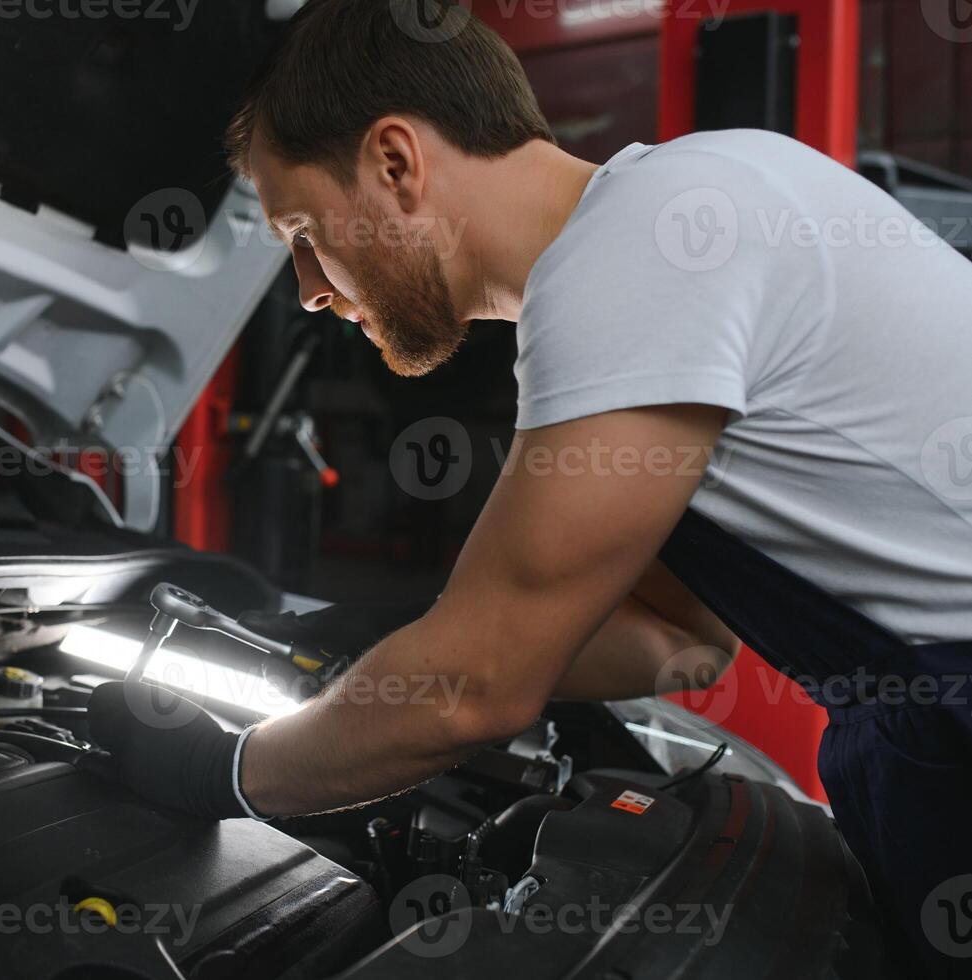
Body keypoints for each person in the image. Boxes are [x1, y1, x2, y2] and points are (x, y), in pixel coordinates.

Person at [89, 2, 972, 974]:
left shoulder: (636, 255)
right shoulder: (679, 215)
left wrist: (223, 771)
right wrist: (394, 637)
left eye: (303, 230)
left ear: (394, 162)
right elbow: (678, 641)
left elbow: (476, 687)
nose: (306, 286)